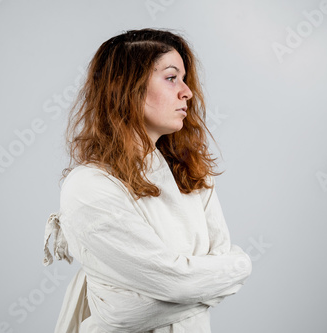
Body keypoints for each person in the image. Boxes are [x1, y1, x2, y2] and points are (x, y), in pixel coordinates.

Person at [42, 28, 252, 332]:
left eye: (184, 78)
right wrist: (238, 267)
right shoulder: (88, 186)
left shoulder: (192, 174)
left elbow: (168, 289)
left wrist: (180, 285)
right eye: (171, 77)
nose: (187, 92)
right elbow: (144, 303)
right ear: (127, 88)